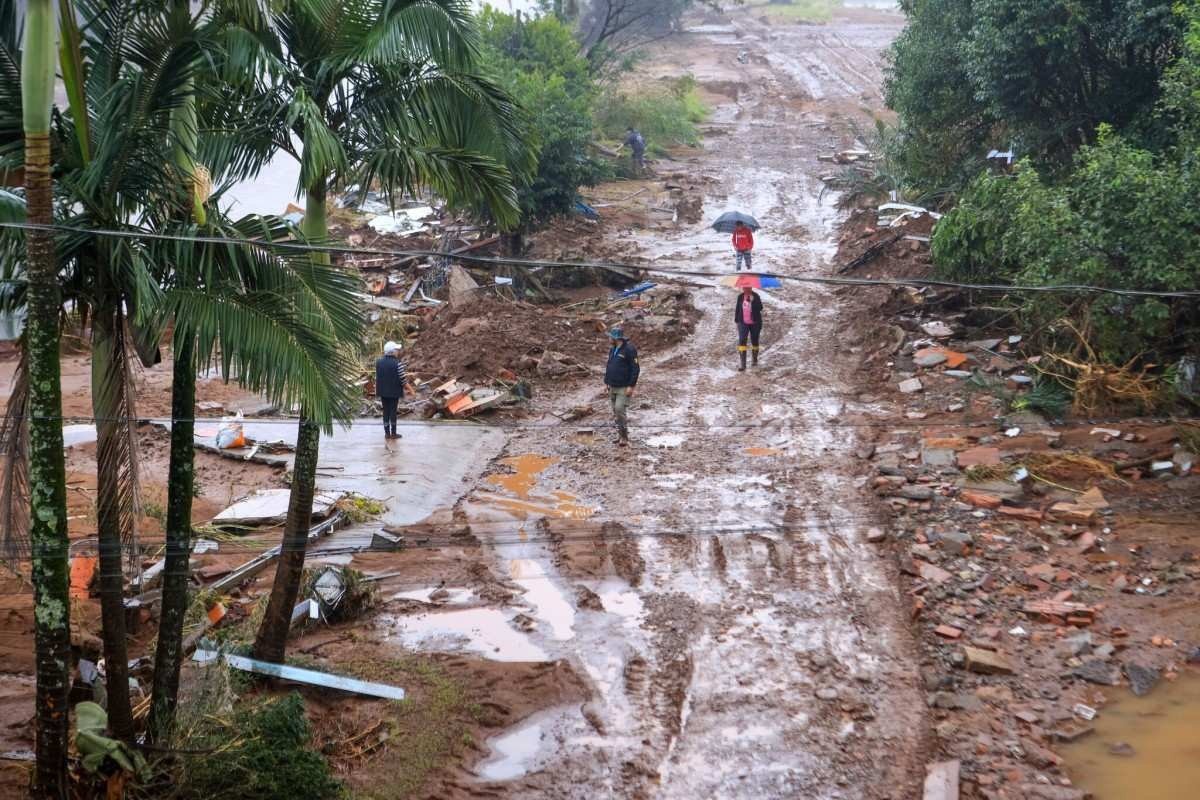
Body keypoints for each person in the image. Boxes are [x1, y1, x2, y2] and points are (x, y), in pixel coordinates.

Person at [603, 328, 640, 447]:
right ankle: (620, 436)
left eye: (610, 337)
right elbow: (609, 366)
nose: (608, 339)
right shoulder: (613, 349)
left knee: (619, 410)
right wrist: (606, 382)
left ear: (616, 338)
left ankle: (624, 437)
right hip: (612, 386)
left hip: (624, 387)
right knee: (615, 412)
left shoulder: (629, 350)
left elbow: (635, 369)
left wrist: (631, 386)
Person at [375, 341, 407, 441]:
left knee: (385, 411)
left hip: (383, 391)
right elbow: (403, 379)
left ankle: (387, 433)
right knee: (393, 411)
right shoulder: (398, 364)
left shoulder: (378, 362)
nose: (398, 352)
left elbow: (378, 377)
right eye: (397, 350)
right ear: (392, 352)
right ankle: (393, 433)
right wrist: (411, 391)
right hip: (394, 392)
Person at [734, 285, 763, 371]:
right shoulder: (740, 297)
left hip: (755, 322)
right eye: (745, 288)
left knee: (755, 340)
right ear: (743, 288)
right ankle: (743, 364)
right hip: (743, 322)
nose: (746, 289)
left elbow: (760, 308)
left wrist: (753, 302)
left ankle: (754, 360)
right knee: (742, 340)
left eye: (748, 288)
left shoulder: (756, 296)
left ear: (751, 288)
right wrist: (737, 320)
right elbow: (737, 309)